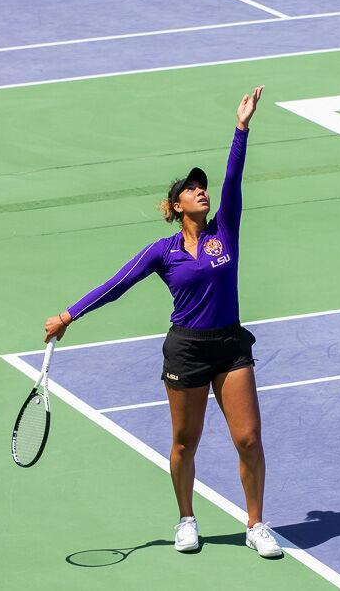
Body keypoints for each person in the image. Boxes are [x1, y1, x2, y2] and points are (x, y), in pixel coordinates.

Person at [43, 86, 281, 558]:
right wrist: (70, 314)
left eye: (202, 186)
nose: (202, 191)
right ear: (175, 206)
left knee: (249, 439)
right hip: (187, 349)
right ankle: (186, 519)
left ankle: (255, 524)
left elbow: (234, 178)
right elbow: (118, 283)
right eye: (192, 189)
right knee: (183, 442)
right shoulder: (163, 252)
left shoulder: (225, 229)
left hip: (230, 345)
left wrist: (241, 127)